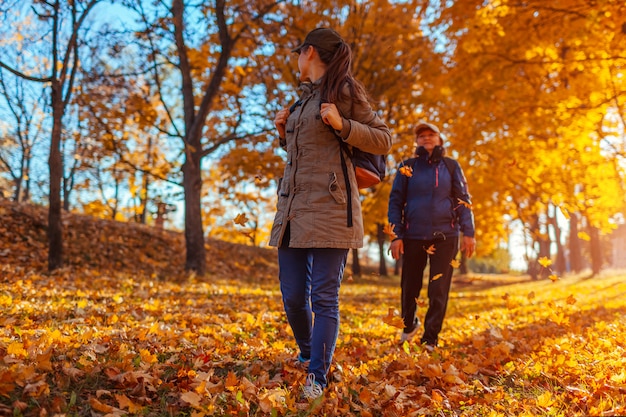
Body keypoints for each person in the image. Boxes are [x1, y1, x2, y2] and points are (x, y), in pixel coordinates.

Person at [270, 27, 392, 400]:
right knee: (292, 296)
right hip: (293, 208)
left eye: (297, 53)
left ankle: (317, 376)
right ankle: (308, 353)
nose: (296, 60)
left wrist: (343, 124)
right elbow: (305, 155)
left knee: (323, 298)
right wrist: (282, 134)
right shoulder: (302, 101)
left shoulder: (344, 91)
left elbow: (383, 138)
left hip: (331, 209)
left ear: (309, 52)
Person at [387, 122, 475, 349]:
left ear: (439, 139)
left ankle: (430, 339)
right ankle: (409, 324)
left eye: (431, 134)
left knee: (438, 288)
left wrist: (469, 232)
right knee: (409, 286)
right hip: (413, 235)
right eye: (422, 135)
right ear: (416, 141)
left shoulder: (451, 166)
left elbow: (463, 199)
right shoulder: (407, 166)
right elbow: (396, 201)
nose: (426, 138)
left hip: (446, 235)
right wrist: (396, 235)